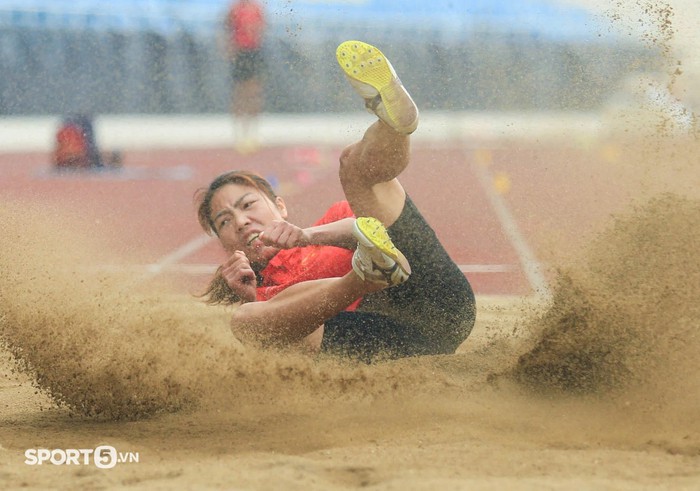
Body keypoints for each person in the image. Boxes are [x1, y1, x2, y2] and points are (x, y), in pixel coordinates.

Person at [195, 40, 475, 362]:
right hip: (387, 341)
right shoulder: (264, 297)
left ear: (280, 206)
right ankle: (363, 277)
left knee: (352, 167)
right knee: (247, 321)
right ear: (226, 245)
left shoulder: (330, 222)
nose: (241, 221)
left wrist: (307, 236)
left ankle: (395, 125)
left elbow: (364, 227)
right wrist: (248, 298)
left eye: (247, 205)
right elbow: (270, 339)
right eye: (225, 222)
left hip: (437, 297)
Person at [223, 0, 266, 153]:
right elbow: (226, 28)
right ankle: (240, 134)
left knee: (253, 93)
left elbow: (261, 29)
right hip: (240, 52)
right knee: (239, 93)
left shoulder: (256, 8)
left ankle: (253, 133)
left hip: (253, 52)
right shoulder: (234, 8)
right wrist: (229, 49)